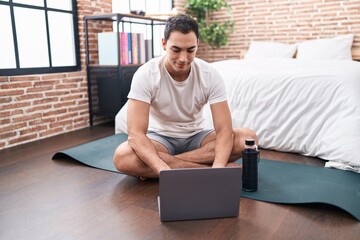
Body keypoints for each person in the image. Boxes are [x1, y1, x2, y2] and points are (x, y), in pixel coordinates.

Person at [113, 14, 257, 179]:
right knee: (123, 156)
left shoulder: (210, 74)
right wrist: (162, 169)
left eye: (190, 50)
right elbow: (135, 134)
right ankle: (202, 171)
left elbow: (224, 129)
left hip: (197, 137)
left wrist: (218, 166)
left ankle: (169, 167)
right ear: (164, 44)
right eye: (176, 50)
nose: (183, 58)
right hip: (160, 140)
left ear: (197, 46)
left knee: (247, 139)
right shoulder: (146, 74)